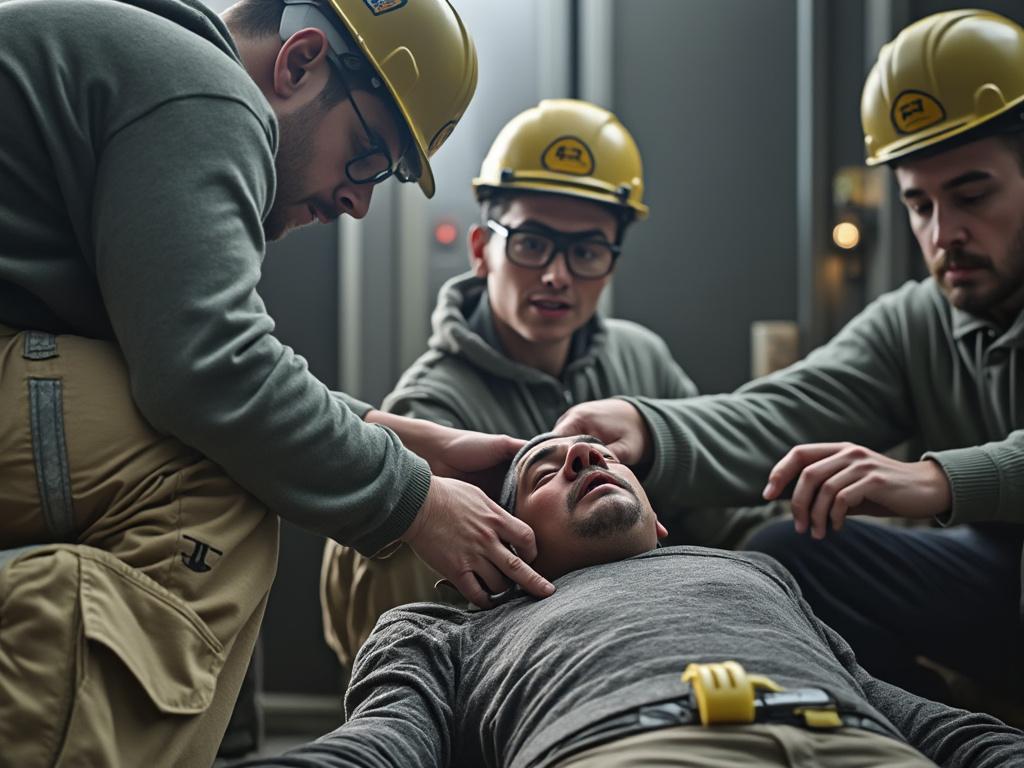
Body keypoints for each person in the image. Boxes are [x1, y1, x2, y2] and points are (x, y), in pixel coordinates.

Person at [0, 0, 554, 764]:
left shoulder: (145, 70)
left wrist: (392, 435)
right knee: (211, 488)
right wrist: (413, 501)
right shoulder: (206, 88)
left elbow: (187, 357)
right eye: (367, 153)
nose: (359, 201)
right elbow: (209, 368)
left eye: (384, 176)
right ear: (297, 64)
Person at [553, 9, 1024, 707]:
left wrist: (936, 480)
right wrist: (650, 428)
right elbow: (780, 412)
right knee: (787, 552)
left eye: (972, 194)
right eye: (918, 204)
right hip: (992, 586)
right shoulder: (915, 319)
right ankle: (924, 726)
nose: (943, 232)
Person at [319, 99, 778, 675]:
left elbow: (728, 520)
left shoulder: (640, 360)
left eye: (586, 251)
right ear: (483, 250)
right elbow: (398, 632)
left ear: (610, 266)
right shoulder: (434, 408)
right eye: (532, 243)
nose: (558, 275)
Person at [240, 434, 1024, 768]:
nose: (583, 454)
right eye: (546, 474)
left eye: (602, 456)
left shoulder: (756, 576)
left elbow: (902, 710)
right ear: (504, 537)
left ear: (657, 520)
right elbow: (385, 744)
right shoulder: (442, 631)